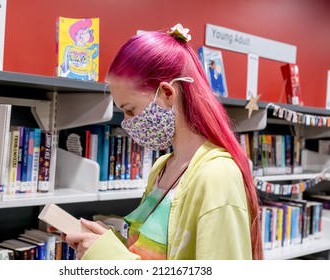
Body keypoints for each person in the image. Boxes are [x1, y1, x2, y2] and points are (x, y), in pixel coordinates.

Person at [60, 23, 263, 260]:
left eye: (130, 110)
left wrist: (110, 258)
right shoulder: (162, 167)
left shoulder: (218, 175)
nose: (127, 123)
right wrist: (111, 244)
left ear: (167, 94)